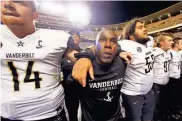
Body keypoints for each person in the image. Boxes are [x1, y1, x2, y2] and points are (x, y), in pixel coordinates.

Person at [0, 1, 92, 120]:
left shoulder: (56, 38)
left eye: (19, 1)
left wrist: (85, 57)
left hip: (51, 115)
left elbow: (79, 55)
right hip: (8, 116)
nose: (8, 4)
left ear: (35, 15)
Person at [66, 29, 127, 121]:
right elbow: (71, 99)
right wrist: (85, 56)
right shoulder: (84, 67)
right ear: (95, 46)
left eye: (113, 41)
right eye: (102, 40)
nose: (108, 45)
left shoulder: (123, 62)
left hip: (115, 118)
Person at [118, 19, 155, 121]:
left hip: (148, 91)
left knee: (148, 117)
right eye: (140, 27)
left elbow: (151, 40)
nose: (145, 29)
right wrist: (119, 52)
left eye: (144, 26)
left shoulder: (148, 41)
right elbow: (104, 47)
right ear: (130, 34)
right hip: (132, 94)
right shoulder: (126, 44)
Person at [152, 33, 173, 120]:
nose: (172, 42)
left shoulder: (168, 52)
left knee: (164, 103)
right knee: (156, 106)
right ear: (161, 43)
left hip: (165, 83)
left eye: (172, 40)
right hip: (156, 85)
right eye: (169, 40)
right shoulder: (155, 52)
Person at [61, 31, 82, 121]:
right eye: (71, 37)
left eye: (75, 37)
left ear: (79, 39)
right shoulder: (62, 55)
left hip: (83, 88)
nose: (74, 39)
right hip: (69, 91)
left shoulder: (84, 53)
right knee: (72, 114)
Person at [167, 37, 182, 119]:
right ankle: (173, 112)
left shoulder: (178, 53)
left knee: (178, 96)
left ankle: (177, 110)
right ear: (176, 44)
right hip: (172, 79)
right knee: (173, 97)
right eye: (181, 43)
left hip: (178, 77)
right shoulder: (170, 53)